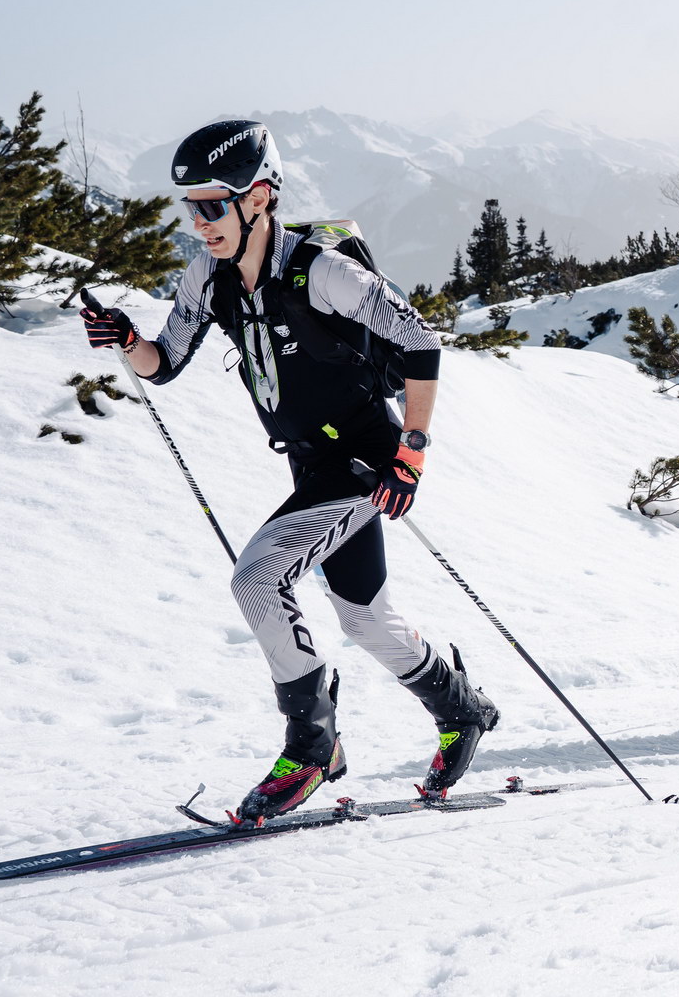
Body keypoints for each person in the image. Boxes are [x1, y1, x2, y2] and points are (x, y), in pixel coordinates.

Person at [79, 119, 498, 821]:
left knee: (257, 577)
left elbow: (420, 341)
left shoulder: (322, 272)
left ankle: (312, 745)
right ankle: (463, 710)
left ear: (259, 197)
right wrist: (126, 339)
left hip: (365, 458)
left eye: (213, 205)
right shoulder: (208, 277)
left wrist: (412, 452)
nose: (199, 223)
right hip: (311, 462)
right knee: (365, 619)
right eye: (191, 207)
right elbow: (164, 363)